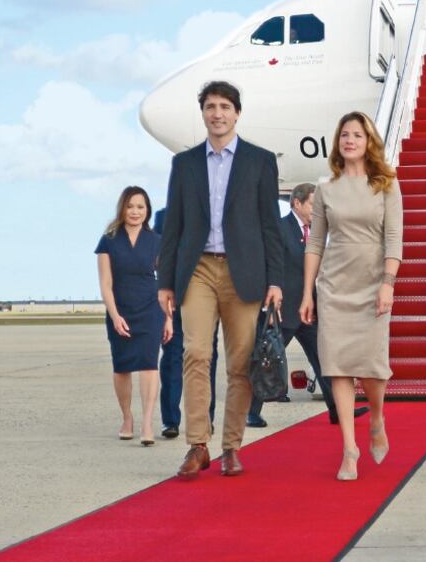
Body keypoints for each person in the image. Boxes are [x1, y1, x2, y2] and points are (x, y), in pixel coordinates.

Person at [157, 80, 284, 479]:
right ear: (203, 113)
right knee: (196, 353)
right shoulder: (185, 163)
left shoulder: (260, 161)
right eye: (210, 106)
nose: (217, 113)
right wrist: (165, 282)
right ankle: (198, 444)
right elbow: (173, 226)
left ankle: (231, 446)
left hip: (244, 271)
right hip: (197, 269)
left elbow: (270, 226)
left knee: (241, 363)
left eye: (225, 106)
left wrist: (276, 280)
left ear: (237, 113)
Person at [300, 112, 403, 481]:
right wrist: (308, 291)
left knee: (373, 368)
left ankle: (376, 418)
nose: (350, 140)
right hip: (334, 286)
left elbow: (394, 239)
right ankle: (349, 449)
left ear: (368, 141)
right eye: (344, 134)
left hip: (374, 284)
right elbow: (315, 241)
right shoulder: (326, 187)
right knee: (337, 366)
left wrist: (388, 282)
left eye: (357, 135)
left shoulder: (387, 184)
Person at [248, 183, 370, 428]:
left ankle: (337, 410)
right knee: (267, 359)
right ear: (297, 203)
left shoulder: (317, 232)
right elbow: (266, 266)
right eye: (314, 204)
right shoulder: (280, 229)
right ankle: (252, 412)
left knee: (324, 359)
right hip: (283, 309)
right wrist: (269, 302)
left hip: (310, 309)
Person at [95, 186, 173, 446]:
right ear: (122, 208)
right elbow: (105, 284)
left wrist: (169, 318)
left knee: (150, 365)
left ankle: (148, 423)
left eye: (141, 207)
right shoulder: (109, 240)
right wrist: (115, 315)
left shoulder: (156, 241)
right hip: (120, 309)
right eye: (130, 206)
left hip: (151, 309)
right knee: (122, 368)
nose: (135, 212)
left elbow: (165, 283)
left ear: (147, 210)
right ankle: (127, 417)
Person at [153, 208, 219, 439]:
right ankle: (171, 420)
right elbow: (158, 259)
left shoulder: (214, 215)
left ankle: (206, 417)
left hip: (208, 298)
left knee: (207, 356)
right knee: (172, 357)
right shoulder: (164, 217)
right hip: (176, 299)